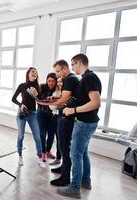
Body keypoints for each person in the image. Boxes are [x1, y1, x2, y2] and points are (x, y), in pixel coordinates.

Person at [57, 54, 101, 199]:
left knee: (75, 154)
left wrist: (73, 110)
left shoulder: (89, 77)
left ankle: (74, 188)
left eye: (73, 64)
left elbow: (95, 102)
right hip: (87, 122)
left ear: (80, 62)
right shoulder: (87, 78)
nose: (72, 67)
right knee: (83, 152)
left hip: (84, 123)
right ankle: (85, 181)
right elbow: (86, 100)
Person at [37, 60, 79, 186]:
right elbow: (64, 97)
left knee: (65, 147)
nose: (57, 74)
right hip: (65, 116)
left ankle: (65, 177)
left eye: (58, 71)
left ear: (65, 68)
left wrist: (45, 102)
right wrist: (53, 99)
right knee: (62, 145)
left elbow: (64, 100)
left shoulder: (70, 79)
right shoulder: (70, 79)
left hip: (66, 118)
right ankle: (63, 169)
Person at [11, 67, 45, 168]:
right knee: (21, 135)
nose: (34, 74)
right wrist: (21, 104)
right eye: (32, 72)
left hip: (32, 114)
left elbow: (40, 102)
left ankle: (40, 157)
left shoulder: (38, 87)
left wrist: (36, 95)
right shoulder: (22, 86)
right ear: (28, 74)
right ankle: (20, 156)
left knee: (37, 137)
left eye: (36, 73)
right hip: (22, 112)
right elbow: (13, 99)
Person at [36, 73, 57, 162]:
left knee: (51, 134)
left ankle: (48, 151)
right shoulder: (42, 87)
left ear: (55, 81)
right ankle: (43, 152)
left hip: (52, 115)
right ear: (46, 81)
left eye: (52, 81)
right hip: (41, 113)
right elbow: (37, 100)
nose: (50, 83)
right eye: (49, 81)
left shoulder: (57, 89)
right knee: (42, 134)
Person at [48, 77, 63, 165]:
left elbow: (59, 105)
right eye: (58, 82)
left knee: (61, 139)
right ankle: (58, 158)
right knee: (57, 138)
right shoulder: (55, 92)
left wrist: (56, 102)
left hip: (62, 117)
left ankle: (60, 158)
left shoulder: (66, 92)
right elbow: (52, 107)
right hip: (55, 116)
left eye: (61, 82)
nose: (59, 83)